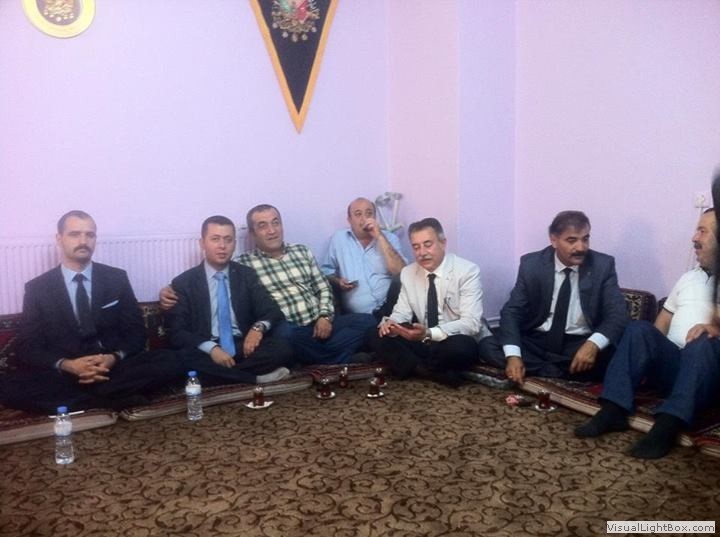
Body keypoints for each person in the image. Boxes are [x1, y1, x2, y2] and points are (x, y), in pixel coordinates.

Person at [0, 210, 185, 413]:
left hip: (113, 367)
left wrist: (113, 358)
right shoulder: (38, 288)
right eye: (74, 234)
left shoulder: (116, 278)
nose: (83, 241)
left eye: (90, 235)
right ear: (59, 238)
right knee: (7, 386)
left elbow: (136, 332)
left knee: (172, 360)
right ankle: (108, 399)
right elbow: (29, 346)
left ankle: (85, 401)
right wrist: (68, 365)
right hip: (66, 373)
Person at [575, 209, 720, 459]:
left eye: (702, 231)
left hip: (709, 374)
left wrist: (714, 328)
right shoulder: (688, 278)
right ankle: (613, 409)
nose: (694, 238)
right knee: (639, 329)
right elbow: (660, 326)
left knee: (703, 341)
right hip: (675, 367)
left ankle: (667, 425)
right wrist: (646, 353)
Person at [493, 210, 629, 384]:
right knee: (489, 344)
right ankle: (562, 371)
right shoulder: (532, 264)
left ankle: (543, 370)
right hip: (537, 342)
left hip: (579, 343)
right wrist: (513, 356)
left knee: (613, 355)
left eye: (585, 239)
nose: (581, 248)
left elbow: (618, 314)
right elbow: (512, 311)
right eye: (572, 240)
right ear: (554, 240)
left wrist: (592, 345)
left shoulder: (602, 265)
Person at [237, 204, 377, 365]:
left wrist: (325, 317)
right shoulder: (244, 265)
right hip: (289, 328)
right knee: (285, 337)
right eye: (263, 226)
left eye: (275, 223)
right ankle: (341, 357)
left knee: (368, 321)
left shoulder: (302, 251)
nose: (272, 230)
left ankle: (320, 355)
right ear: (252, 233)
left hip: (320, 322)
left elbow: (323, 287)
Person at [164, 215, 293, 386]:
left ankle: (217, 377)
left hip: (243, 345)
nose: (222, 246)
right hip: (205, 348)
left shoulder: (246, 275)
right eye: (215, 239)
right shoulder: (184, 282)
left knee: (283, 349)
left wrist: (257, 328)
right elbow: (177, 332)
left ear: (234, 244)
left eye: (228, 239)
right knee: (177, 359)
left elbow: (272, 310)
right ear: (202, 243)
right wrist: (212, 348)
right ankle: (254, 378)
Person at [368, 217, 492, 387]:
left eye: (428, 244)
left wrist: (429, 333)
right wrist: (391, 324)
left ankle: (413, 366)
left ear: (443, 243)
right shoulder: (408, 273)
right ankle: (428, 371)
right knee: (374, 334)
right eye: (416, 247)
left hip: (451, 338)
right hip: (422, 340)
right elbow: (401, 312)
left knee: (462, 347)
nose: (422, 252)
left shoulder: (467, 271)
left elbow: (471, 324)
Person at [321, 197, 406, 319]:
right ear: (349, 220)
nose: (364, 219)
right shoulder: (338, 240)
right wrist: (338, 282)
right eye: (358, 214)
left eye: (369, 213)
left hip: (392, 308)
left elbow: (401, 273)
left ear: (375, 217)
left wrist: (379, 236)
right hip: (359, 316)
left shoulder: (390, 238)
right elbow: (326, 272)